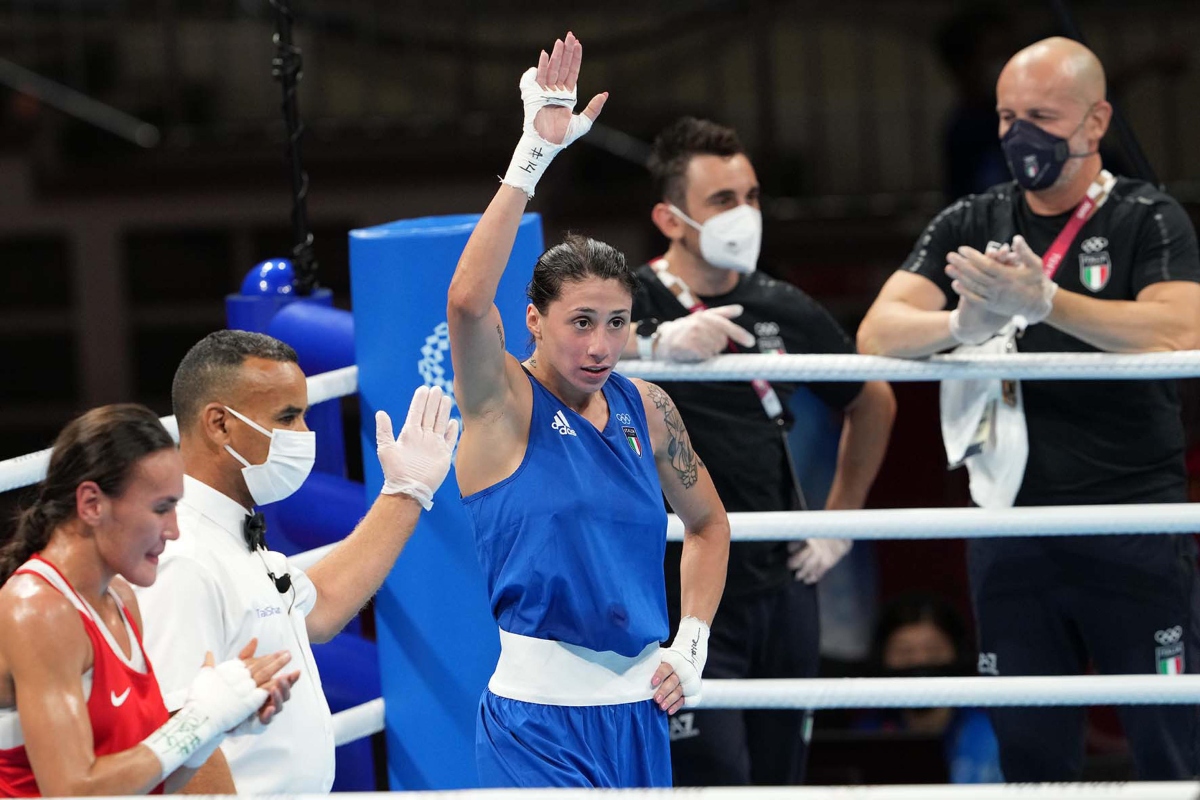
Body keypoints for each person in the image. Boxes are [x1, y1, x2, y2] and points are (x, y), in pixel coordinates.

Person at [857, 37, 1200, 781]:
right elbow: (878, 329)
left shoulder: (1151, 216)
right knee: (1031, 756)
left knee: (1173, 747)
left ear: (1095, 120)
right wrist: (961, 327)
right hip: (1011, 532)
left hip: (1131, 523)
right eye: (1008, 116)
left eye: (1042, 115)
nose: (1021, 136)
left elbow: (1180, 327)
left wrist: (1047, 302)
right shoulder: (972, 219)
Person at [447, 32, 731, 788]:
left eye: (616, 322)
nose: (602, 344)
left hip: (640, 716)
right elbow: (467, 301)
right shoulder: (503, 405)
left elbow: (708, 525)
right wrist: (530, 157)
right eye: (581, 322)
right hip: (535, 728)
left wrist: (692, 638)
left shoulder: (650, 407)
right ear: (534, 321)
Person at [624, 116, 896, 786]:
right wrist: (654, 346)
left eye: (750, 197)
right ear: (670, 218)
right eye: (723, 201)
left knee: (781, 775)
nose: (744, 214)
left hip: (779, 586)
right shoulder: (624, 299)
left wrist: (839, 524)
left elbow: (874, 401)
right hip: (673, 586)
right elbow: (551, 354)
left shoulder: (785, 305)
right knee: (712, 772)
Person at [135, 330, 459, 793]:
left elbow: (321, 605)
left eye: (304, 415)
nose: (305, 435)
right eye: (287, 417)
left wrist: (407, 492)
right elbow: (182, 736)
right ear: (219, 424)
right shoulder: (183, 556)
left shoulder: (233, 535)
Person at [0, 404, 295, 796]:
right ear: (91, 504)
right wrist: (198, 722)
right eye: (161, 508)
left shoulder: (121, 599)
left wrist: (216, 720)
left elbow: (149, 783)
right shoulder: (37, 611)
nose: (174, 530)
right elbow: (71, 791)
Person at [859, 593, 1003, 784]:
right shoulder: (865, 735)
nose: (920, 660)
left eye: (933, 650)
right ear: (882, 658)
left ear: (957, 654)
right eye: (904, 652)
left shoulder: (992, 735)